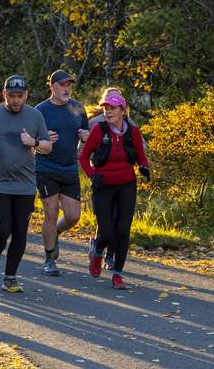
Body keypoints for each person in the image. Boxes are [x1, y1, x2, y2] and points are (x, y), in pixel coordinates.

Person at [0, 75, 51, 293]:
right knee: (1, 229)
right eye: (12, 96)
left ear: (26, 94)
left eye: (20, 96)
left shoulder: (35, 116)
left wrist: (34, 142)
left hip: (26, 185)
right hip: (0, 184)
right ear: (4, 95)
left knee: (20, 231)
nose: (16, 100)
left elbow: (47, 146)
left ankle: (10, 277)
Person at [80, 92, 150, 289]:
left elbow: (141, 157)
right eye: (105, 108)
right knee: (107, 232)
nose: (107, 111)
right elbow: (84, 158)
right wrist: (92, 175)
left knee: (123, 231)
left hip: (127, 184)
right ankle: (98, 249)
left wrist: (144, 167)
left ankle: (118, 274)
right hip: (103, 185)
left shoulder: (133, 132)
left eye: (112, 108)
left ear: (122, 110)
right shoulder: (98, 130)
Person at [35, 70, 89, 276]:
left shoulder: (77, 108)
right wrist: (43, 137)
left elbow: (86, 136)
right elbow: (29, 139)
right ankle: (49, 259)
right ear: (52, 86)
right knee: (51, 212)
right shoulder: (40, 111)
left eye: (69, 85)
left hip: (69, 167)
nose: (66, 89)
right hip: (46, 167)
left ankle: (55, 232)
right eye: (62, 85)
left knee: (73, 216)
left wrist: (86, 135)